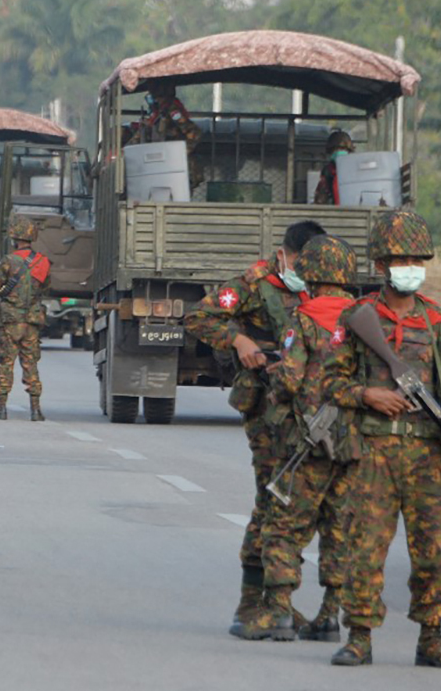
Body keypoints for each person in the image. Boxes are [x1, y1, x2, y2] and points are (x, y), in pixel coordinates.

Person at [323, 210, 441, 669]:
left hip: (429, 455)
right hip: (374, 453)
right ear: (381, 265)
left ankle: (433, 639)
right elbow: (325, 384)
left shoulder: (438, 323)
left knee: (434, 549)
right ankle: (358, 636)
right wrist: (366, 394)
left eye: (415, 258)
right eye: (399, 258)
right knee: (364, 547)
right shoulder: (357, 318)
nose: (409, 265)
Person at [183, 220, 324, 641]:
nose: (307, 269)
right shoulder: (252, 283)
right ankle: (253, 602)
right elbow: (198, 317)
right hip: (265, 405)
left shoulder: (317, 288)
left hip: (305, 407)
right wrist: (237, 339)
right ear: (286, 254)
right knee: (273, 496)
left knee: (301, 502)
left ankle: (278, 600)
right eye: (302, 261)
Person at [250, 235, 361, 643]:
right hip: (352, 441)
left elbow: (291, 380)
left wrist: (273, 375)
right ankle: (330, 615)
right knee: (339, 526)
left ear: (310, 275)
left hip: (307, 442)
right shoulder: (367, 317)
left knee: (285, 526)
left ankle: (279, 612)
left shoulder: (304, 318)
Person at [0, 216, 50, 422]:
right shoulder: (42, 262)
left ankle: (1, 407)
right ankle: (36, 409)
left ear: (14, 237)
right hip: (32, 321)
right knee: (31, 363)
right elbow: (45, 288)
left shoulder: (9, 261)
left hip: (11, 321)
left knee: (6, 362)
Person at [144, 82, 203, 190]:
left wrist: (179, 153)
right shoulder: (160, 113)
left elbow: (195, 132)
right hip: (166, 167)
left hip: (180, 169)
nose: (155, 100)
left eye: (157, 97)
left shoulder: (172, 110)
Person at [313, 130, 355, 205]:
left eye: (343, 149)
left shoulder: (356, 168)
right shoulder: (328, 170)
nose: (339, 152)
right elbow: (321, 195)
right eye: (336, 149)